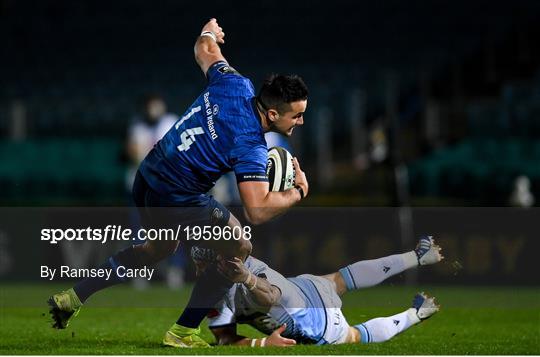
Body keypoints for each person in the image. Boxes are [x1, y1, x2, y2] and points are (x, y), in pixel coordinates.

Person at [48, 18, 309, 348]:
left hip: (147, 177)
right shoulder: (251, 146)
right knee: (240, 246)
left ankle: (72, 298)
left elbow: (204, 49)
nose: (300, 121)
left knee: (157, 249)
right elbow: (256, 210)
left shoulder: (235, 84)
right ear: (273, 115)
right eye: (296, 115)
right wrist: (296, 192)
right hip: (177, 193)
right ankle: (184, 331)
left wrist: (209, 31)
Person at [199, 235, 443, 347]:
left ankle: (416, 313)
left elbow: (268, 297)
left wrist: (248, 279)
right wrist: (263, 343)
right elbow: (225, 338)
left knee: (353, 335)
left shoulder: (237, 278)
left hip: (314, 319)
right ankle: (417, 261)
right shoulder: (230, 276)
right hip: (306, 292)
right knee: (340, 279)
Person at [125, 94, 186, 290]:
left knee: (173, 230)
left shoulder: (171, 121)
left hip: (167, 186)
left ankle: (175, 271)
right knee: (139, 231)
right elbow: (132, 152)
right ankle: (140, 272)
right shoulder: (137, 127)